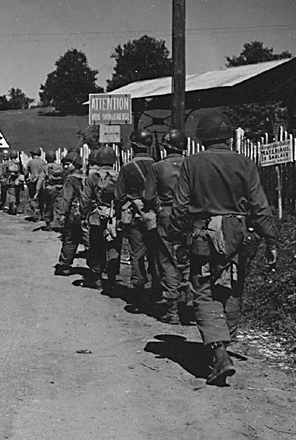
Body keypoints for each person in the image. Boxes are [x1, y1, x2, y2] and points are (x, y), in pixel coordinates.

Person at [170, 111, 277, 386]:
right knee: (233, 290)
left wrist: (175, 235)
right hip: (239, 237)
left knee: (204, 293)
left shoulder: (192, 164)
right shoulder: (246, 163)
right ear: (229, 136)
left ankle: (219, 353)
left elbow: (180, 206)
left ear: (203, 138)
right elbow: (260, 205)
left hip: (204, 237)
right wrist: (271, 240)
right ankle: (223, 346)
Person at [144, 129, 191, 324]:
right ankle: (189, 302)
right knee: (189, 257)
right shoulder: (192, 165)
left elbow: (147, 196)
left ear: (165, 147)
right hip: (190, 215)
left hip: (167, 214)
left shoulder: (157, 167)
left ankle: (172, 310)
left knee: (167, 259)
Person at [115, 128, 158, 299]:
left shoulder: (127, 167)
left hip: (134, 213)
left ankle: (139, 284)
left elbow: (119, 194)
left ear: (133, 146)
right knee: (155, 250)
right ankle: (156, 284)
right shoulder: (157, 165)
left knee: (137, 250)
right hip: (153, 213)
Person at [81, 147, 122, 293]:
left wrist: (84, 215)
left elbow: (85, 199)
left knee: (96, 246)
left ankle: (97, 278)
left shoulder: (93, 176)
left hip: (97, 216)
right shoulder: (119, 176)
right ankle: (112, 279)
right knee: (114, 246)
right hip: (114, 217)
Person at [54, 152, 88, 275]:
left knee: (70, 239)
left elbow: (66, 198)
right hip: (86, 212)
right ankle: (95, 269)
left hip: (73, 212)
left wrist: (61, 213)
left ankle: (65, 265)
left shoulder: (70, 179)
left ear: (75, 165)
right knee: (88, 241)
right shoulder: (86, 177)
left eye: (67, 164)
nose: (65, 167)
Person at [36, 151, 64, 231]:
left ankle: (48, 223)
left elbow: (41, 179)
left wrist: (37, 191)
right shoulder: (60, 167)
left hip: (49, 189)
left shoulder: (45, 167)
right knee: (58, 205)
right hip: (60, 188)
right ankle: (59, 224)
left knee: (48, 206)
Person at [25, 148, 45, 220]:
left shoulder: (30, 162)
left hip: (33, 181)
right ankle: (42, 213)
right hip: (42, 181)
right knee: (41, 198)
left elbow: (26, 173)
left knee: (32, 197)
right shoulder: (43, 162)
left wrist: (26, 181)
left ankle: (35, 209)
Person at [4, 150, 24, 215]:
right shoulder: (19, 163)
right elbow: (24, 172)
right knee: (17, 194)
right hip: (18, 181)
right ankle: (16, 205)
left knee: (11, 194)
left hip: (11, 180)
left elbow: (5, 172)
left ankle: (13, 206)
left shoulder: (8, 163)